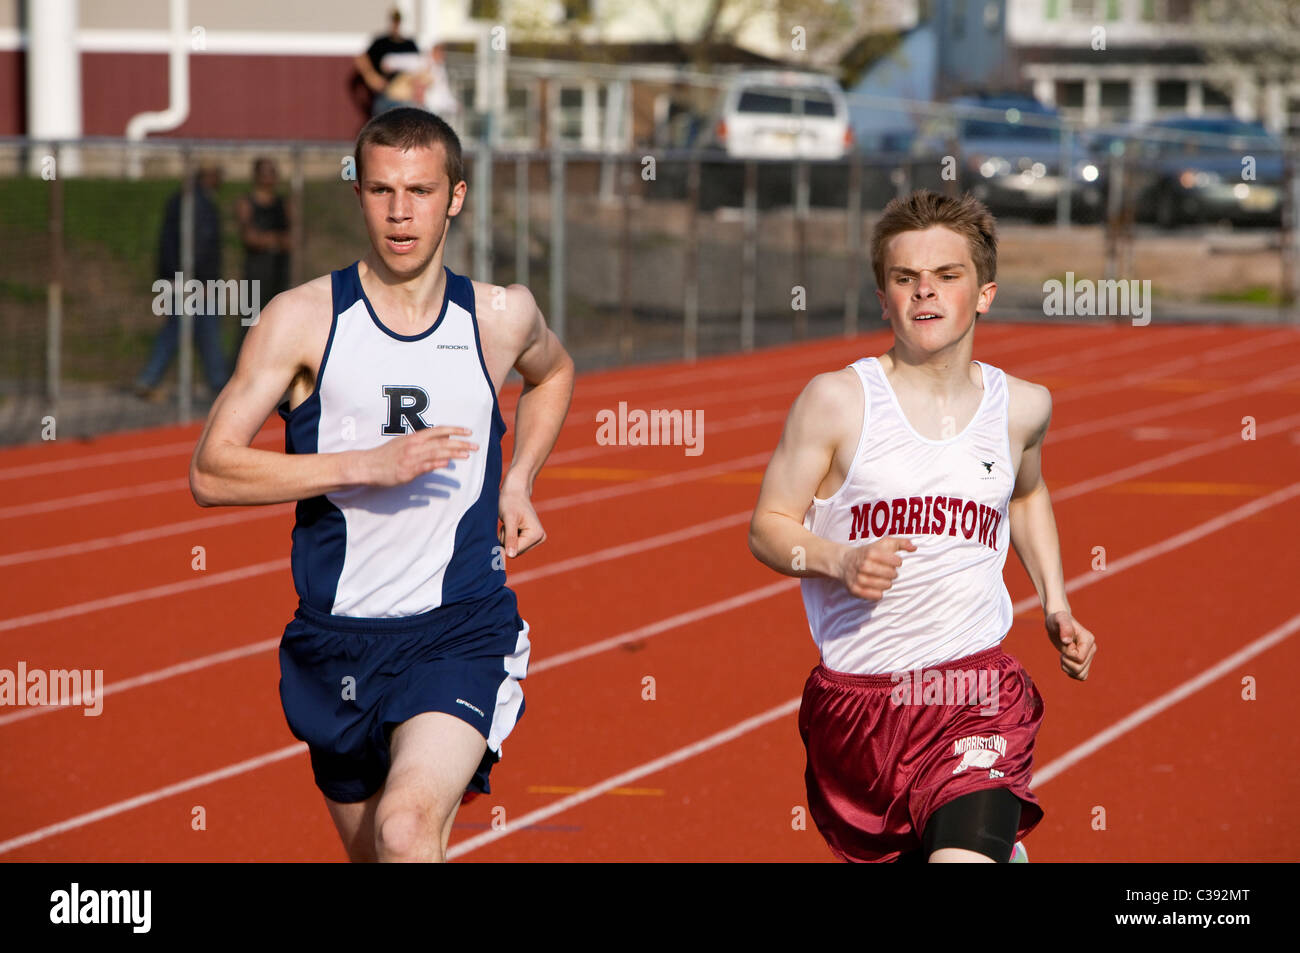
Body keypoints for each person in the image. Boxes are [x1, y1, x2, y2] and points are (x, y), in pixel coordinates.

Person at [188, 107, 575, 862]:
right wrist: (367, 464)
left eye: (422, 191)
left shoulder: (500, 315)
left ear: (456, 197)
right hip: (336, 646)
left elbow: (553, 372)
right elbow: (211, 469)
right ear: (358, 193)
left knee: (405, 830)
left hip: (458, 629)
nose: (401, 213)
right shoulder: (302, 319)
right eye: (381, 190)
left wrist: (519, 479)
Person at [748, 189, 1096, 863]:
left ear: (984, 293)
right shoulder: (837, 401)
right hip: (859, 709)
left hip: (974, 694)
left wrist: (1056, 602)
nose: (924, 293)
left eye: (946, 276)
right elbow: (768, 526)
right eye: (905, 279)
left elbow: (1025, 495)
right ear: (884, 298)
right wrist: (836, 559)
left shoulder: (1022, 407)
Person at [135, 162, 229, 400]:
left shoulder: (186, 201)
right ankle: (217, 383)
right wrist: (203, 280)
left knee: (180, 329)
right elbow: (199, 245)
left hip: (182, 277)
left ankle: (151, 377)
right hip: (192, 281)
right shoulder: (197, 204)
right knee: (198, 329)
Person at [234, 158, 291, 355]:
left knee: (278, 324)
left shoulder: (283, 204)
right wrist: (273, 240)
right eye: (265, 173)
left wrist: (268, 240)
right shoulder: (247, 202)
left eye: (272, 173)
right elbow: (250, 237)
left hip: (279, 271)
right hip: (256, 272)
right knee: (249, 326)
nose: (269, 178)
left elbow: (292, 238)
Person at [355, 8, 419, 117]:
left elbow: (419, 65)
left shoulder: (410, 44)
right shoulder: (381, 43)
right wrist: (371, 77)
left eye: (397, 21)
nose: (396, 24)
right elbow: (361, 58)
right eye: (394, 20)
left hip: (406, 95)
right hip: (386, 94)